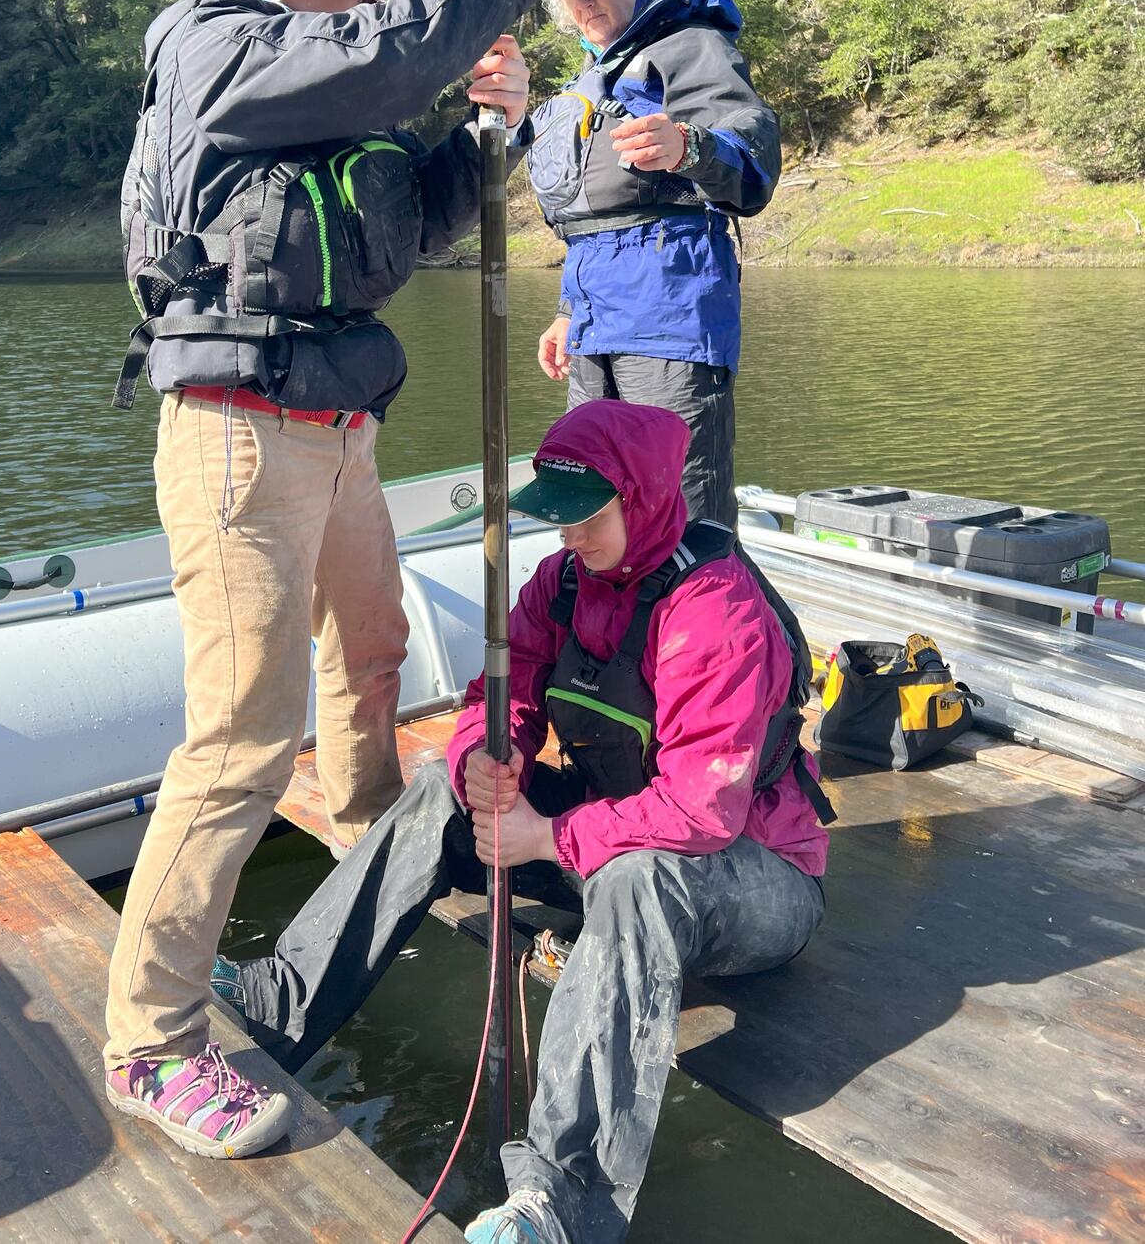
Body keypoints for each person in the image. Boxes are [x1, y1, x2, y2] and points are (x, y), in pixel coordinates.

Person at [103, 0, 549, 1157]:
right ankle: (151, 1038)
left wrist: (495, 137)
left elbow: (410, 221)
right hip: (237, 426)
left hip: (337, 427)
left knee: (373, 647)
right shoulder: (219, 44)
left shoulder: (335, 86)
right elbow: (376, 57)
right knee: (241, 731)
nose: (388, 13)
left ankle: (368, 862)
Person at [211, 398, 832, 1238]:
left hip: (755, 876)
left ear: (642, 500)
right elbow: (497, 693)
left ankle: (560, 1198)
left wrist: (548, 836)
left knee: (639, 874)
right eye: (561, 521)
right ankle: (277, 1002)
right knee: (438, 792)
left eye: (589, 520)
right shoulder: (562, 582)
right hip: (615, 835)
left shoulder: (715, 612)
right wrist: (485, 755)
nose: (569, 538)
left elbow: (702, 809)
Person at [526, 0, 782, 527]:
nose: (582, 0)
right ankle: (614, 627)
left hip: (671, 319)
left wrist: (690, 148)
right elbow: (595, 220)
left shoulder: (691, 46)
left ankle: (725, 623)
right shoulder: (588, 80)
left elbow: (754, 162)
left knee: (681, 517)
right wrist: (567, 312)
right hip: (593, 325)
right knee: (593, 510)